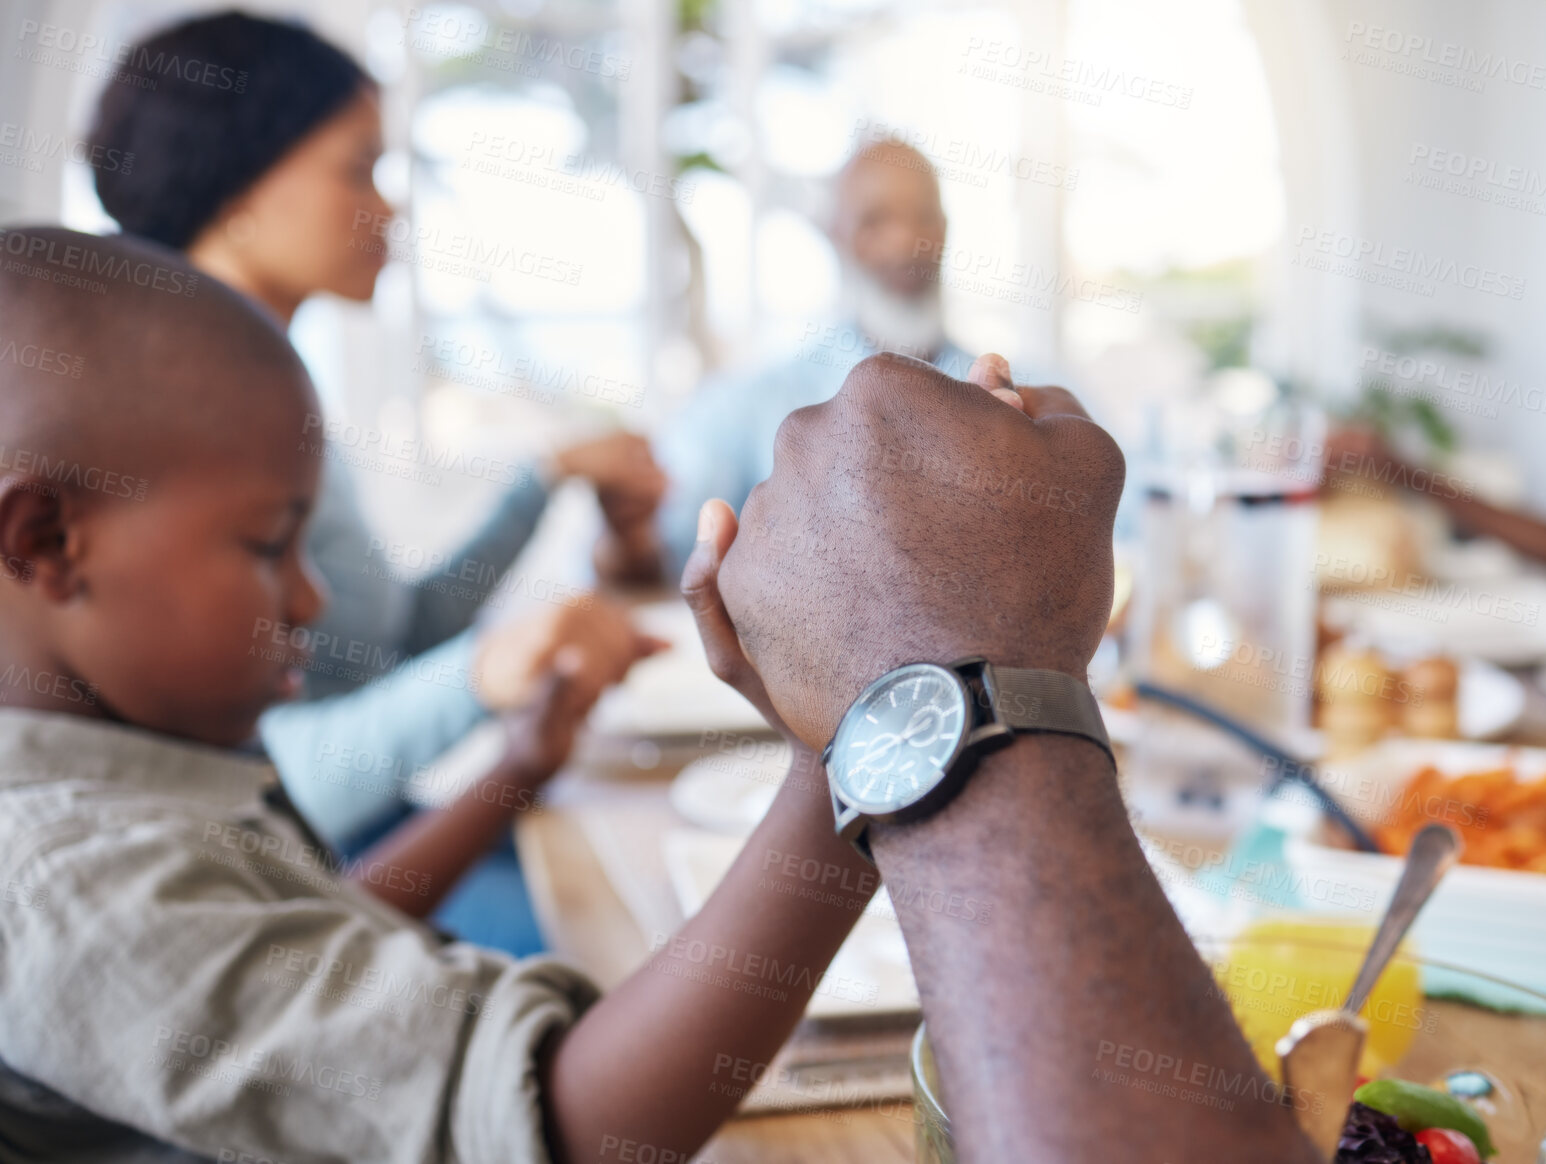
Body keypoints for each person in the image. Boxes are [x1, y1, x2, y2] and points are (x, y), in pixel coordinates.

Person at [0, 228, 1323, 1161]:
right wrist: (865, 737)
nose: (311, 600)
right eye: (264, 545)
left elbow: (301, 939)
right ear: (46, 542)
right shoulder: (63, 886)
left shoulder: (104, 781)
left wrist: (520, 769)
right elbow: (573, 1124)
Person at [85, 11, 665, 952]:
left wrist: (543, 480)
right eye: (357, 169)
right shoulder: (182, 424)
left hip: (372, 842)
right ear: (237, 185)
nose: (389, 209)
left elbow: (384, 640)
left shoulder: (275, 385)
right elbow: (273, 776)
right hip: (309, 884)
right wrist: (480, 676)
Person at [651, 138, 975, 575]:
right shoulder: (756, 400)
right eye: (874, 221)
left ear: (947, 229)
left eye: (923, 218)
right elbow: (664, 539)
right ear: (836, 235)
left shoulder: (1019, 395)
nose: (904, 241)